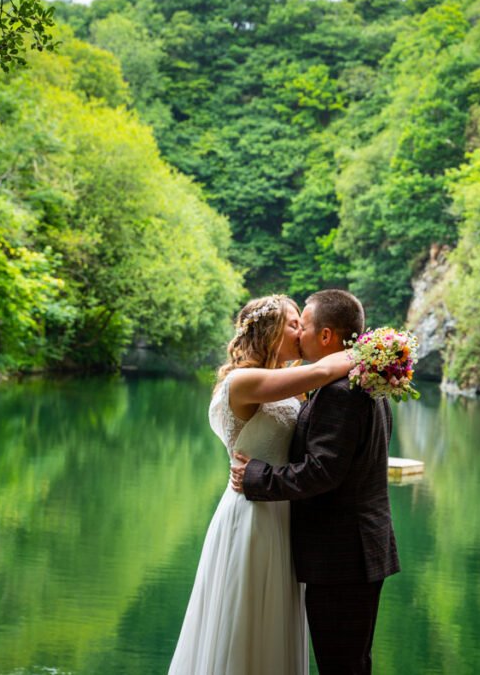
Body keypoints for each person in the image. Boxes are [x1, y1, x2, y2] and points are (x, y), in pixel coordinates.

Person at [169, 294, 353, 675]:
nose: (300, 331)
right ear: (269, 331)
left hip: (282, 512)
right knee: (245, 619)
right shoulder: (243, 381)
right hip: (251, 515)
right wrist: (377, 353)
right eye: (292, 323)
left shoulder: (286, 385)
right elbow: (323, 372)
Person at [230, 289, 400, 675]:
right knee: (351, 661)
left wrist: (258, 476)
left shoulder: (340, 392)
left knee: (341, 663)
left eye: (302, 326)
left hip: (342, 556)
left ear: (325, 337)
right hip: (356, 551)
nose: (298, 335)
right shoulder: (363, 383)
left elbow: (321, 471)